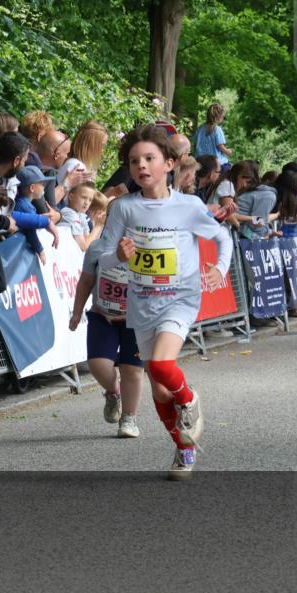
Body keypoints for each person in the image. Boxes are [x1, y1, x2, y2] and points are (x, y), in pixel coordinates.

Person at [98, 124, 233, 479]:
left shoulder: (188, 206)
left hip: (180, 299)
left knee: (160, 366)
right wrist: (119, 255)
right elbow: (104, 257)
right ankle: (184, 448)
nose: (141, 166)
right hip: (141, 304)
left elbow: (223, 239)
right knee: (159, 389)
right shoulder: (123, 208)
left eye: (149, 158)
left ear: (169, 164)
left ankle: (189, 400)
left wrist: (219, 268)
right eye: (133, 161)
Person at [70, 221, 144, 439]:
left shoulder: (146, 249)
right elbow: (85, 281)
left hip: (135, 320)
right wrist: (76, 312)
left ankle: (129, 418)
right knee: (98, 365)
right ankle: (113, 393)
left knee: (132, 370)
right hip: (103, 315)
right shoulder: (96, 248)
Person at [55, 120, 106, 192]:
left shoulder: (73, 163)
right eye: (102, 145)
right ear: (91, 144)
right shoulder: (78, 167)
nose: (102, 150)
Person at [60, 182, 103, 251]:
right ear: (71, 196)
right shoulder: (69, 213)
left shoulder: (81, 215)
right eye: (84, 197)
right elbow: (84, 247)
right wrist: (98, 226)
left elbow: (88, 241)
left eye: (90, 200)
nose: (87, 203)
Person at [193, 103, 232, 168]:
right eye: (223, 117)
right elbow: (220, 146)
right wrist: (227, 151)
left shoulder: (200, 128)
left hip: (200, 161)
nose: (223, 119)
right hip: (215, 163)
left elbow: (195, 143)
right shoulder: (217, 129)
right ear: (218, 117)